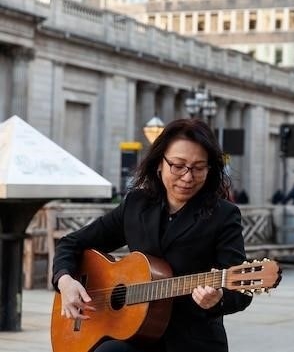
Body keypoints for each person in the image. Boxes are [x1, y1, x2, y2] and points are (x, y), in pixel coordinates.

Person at [52, 118, 252, 352]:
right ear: (159, 163)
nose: (188, 177)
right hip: (133, 336)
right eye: (178, 166)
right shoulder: (136, 204)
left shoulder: (224, 215)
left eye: (199, 168)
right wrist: (65, 281)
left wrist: (218, 299)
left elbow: (241, 291)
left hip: (191, 341)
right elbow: (72, 243)